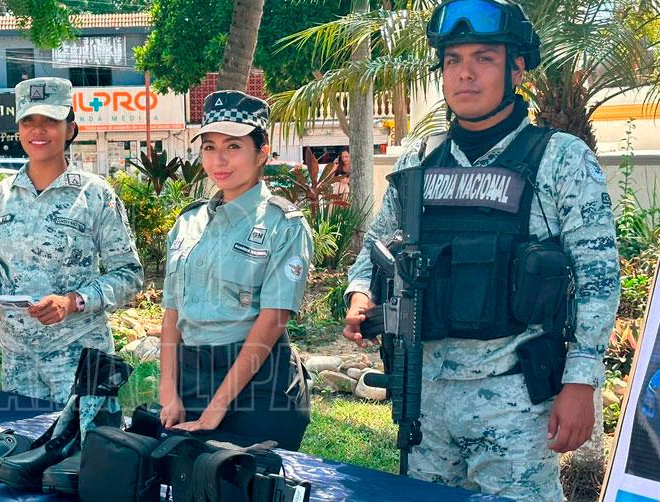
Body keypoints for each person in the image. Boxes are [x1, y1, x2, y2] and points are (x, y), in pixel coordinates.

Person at [341, 0, 619, 498]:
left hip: (516, 403)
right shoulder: (419, 159)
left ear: (517, 69)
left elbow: (597, 278)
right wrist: (360, 293)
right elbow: (376, 245)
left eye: (483, 59)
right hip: (424, 400)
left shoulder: (560, 158)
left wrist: (582, 381)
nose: (464, 74)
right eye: (453, 60)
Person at [0, 77, 142, 411]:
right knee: (23, 442)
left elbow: (129, 274)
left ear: (70, 129)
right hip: (18, 364)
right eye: (28, 121)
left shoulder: (94, 194)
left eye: (50, 121)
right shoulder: (0, 196)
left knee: (85, 444)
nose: (38, 130)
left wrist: (73, 301)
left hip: (79, 358)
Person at [158, 90, 314, 450]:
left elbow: (273, 319)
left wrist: (217, 408)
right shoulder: (188, 222)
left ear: (262, 153)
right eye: (209, 147)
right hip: (191, 379)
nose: (220, 160)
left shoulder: (283, 224)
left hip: (259, 386)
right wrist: (169, 392)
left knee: (247, 477)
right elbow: (172, 313)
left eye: (233, 146)